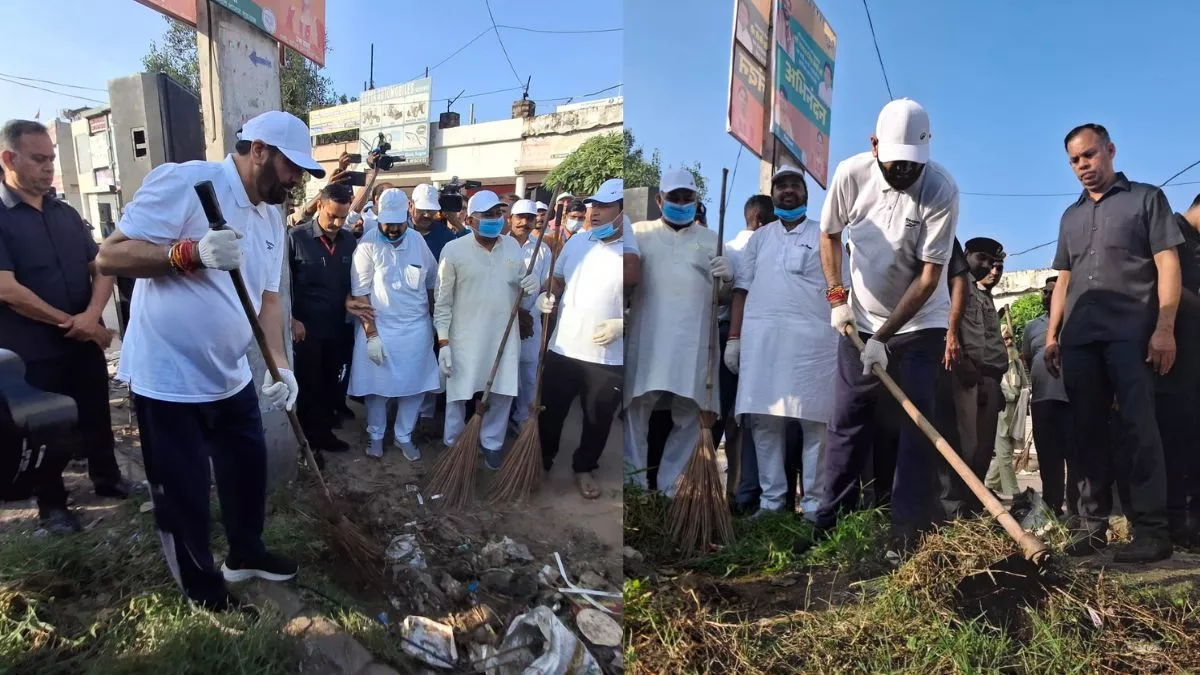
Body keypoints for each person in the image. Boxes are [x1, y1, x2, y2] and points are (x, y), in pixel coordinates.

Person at [95, 110, 321, 610]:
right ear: (259, 150)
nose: (295, 180)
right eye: (291, 167)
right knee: (184, 495)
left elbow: (268, 301)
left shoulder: (271, 216)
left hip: (230, 376)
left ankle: (246, 553)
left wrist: (280, 365)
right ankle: (203, 592)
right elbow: (109, 256)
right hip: (169, 380)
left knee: (246, 472)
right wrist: (188, 254)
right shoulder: (187, 183)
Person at [814, 99, 959, 552]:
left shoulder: (941, 189)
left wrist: (883, 337)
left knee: (915, 424)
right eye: (897, 164)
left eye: (913, 164)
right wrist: (837, 297)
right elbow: (829, 234)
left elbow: (929, 277)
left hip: (921, 324)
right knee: (847, 420)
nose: (905, 173)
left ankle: (907, 532)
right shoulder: (851, 175)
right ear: (875, 145)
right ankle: (828, 524)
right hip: (858, 320)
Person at [1044, 123, 1181, 562]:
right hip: (1080, 340)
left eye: (1089, 155)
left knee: (1139, 429)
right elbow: (1064, 279)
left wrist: (1164, 328)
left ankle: (1151, 530)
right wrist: (1052, 335)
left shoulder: (1146, 199)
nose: (1082, 165)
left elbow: (1168, 263)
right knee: (1085, 432)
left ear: (1110, 150)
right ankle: (1091, 526)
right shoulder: (1070, 216)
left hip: (1130, 334)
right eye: (1074, 160)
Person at [0, 120, 131, 534]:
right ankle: (53, 505)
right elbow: (8, 289)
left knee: (96, 412)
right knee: (46, 425)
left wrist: (92, 315)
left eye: (51, 159)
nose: (48, 168)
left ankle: (109, 479)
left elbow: (102, 265)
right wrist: (75, 324)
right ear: (9, 159)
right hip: (32, 351)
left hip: (82, 342)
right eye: (38, 159)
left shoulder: (66, 213)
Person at [725, 166, 835, 517]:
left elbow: (839, 288)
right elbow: (741, 289)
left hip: (814, 346)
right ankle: (771, 504)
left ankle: (814, 506)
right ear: (772, 195)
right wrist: (734, 338)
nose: (788, 191)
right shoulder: (759, 239)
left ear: (806, 194)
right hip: (763, 343)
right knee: (764, 422)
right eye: (781, 186)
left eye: (795, 186)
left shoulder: (825, 234)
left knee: (815, 425)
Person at [624, 169, 731, 496]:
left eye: (688, 197)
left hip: (694, 343)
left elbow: (724, 298)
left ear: (696, 201)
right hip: (648, 338)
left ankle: (671, 491)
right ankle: (633, 486)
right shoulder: (639, 233)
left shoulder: (712, 239)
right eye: (674, 197)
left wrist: (727, 279)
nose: (682, 203)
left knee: (690, 413)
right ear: (659, 200)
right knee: (636, 408)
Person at [435, 190, 540, 469]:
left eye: (498, 214)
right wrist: (443, 343)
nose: (495, 219)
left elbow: (522, 285)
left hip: (504, 335)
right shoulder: (453, 250)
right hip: (465, 338)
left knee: (503, 392)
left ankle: (492, 442)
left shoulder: (512, 246)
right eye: (487, 215)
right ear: (469, 220)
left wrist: (532, 284)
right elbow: (442, 303)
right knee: (459, 394)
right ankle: (454, 443)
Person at [535, 179, 625, 498]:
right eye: (593, 205)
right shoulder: (577, 243)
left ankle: (584, 466)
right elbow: (557, 279)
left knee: (598, 418)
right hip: (564, 346)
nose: (594, 212)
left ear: (622, 211)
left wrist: (623, 323)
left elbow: (647, 298)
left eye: (604, 206)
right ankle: (542, 460)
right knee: (550, 411)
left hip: (606, 355)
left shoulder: (631, 250)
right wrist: (547, 294)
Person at [346, 189, 440, 460]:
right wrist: (371, 336)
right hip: (380, 328)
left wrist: (437, 323)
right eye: (387, 224)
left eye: (398, 223)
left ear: (407, 216)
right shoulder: (367, 244)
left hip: (416, 329)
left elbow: (431, 282)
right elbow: (360, 294)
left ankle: (403, 436)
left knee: (415, 387)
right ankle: (376, 434)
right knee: (377, 388)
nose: (393, 229)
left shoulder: (417, 241)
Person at [288, 182, 355, 453]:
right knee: (308, 385)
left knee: (330, 381)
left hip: (337, 327)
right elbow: (280, 285)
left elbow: (355, 281)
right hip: (305, 330)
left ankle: (324, 431)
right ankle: (309, 443)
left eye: (343, 217)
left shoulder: (349, 241)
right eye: (332, 216)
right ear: (319, 206)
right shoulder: (296, 238)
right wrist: (291, 319)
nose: (337, 223)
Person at [725, 194, 772, 512]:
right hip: (736, 338)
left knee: (743, 419)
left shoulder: (732, 247)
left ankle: (739, 492)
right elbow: (737, 294)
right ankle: (737, 492)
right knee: (740, 419)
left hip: (748, 338)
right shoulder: (737, 249)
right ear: (759, 220)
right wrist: (734, 338)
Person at [1022, 276, 1078, 519]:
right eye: (1045, 292)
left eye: (1052, 292)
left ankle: (1077, 510)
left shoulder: (1076, 323)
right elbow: (1027, 358)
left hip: (1072, 400)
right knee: (1048, 457)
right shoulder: (1032, 327)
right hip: (1042, 401)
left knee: (1076, 457)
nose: (1047, 296)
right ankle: (1052, 507)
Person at [1164, 196, 1200, 543]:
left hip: (1192, 357)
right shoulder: (1170, 232)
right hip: (1172, 358)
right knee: (1178, 441)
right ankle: (1179, 525)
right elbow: (1167, 286)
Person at [507, 199, 553, 433]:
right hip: (503, 318)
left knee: (528, 372)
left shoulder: (542, 249)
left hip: (531, 320)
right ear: (510, 219)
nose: (524, 222)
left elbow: (546, 284)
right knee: (503, 371)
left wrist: (540, 303)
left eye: (530, 218)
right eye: (520, 217)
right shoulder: (500, 245)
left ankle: (522, 416)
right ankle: (498, 418)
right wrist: (514, 312)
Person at [985, 324, 1029, 498]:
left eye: (1010, 338)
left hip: (1015, 413)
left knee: (1008, 452)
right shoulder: (995, 363)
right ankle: (1015, 494)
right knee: (1003, 454)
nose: (1010, 342)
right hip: (1000, 412)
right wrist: (1014, 395)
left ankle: (989, 484)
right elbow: (1000, 390)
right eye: (1005, 339)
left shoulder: (1017, 363)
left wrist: (1023, 395)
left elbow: (1025, 385)